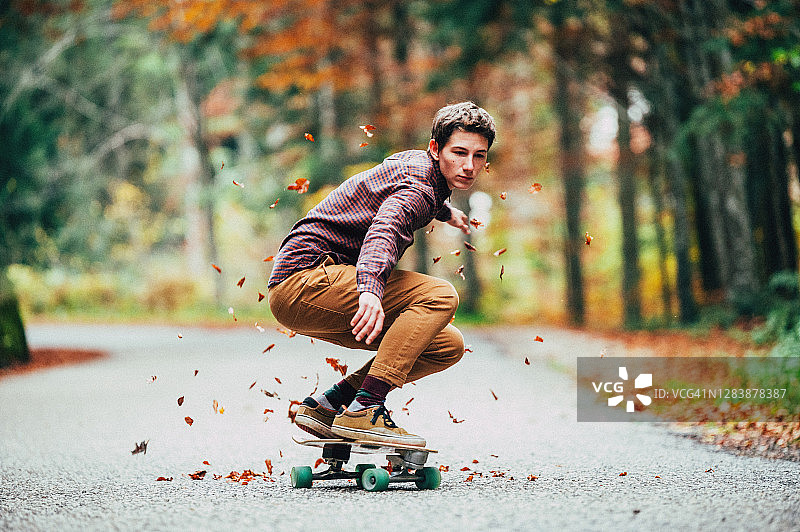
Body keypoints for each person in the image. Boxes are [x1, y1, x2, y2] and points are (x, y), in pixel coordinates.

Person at [267, 101, 496, 447]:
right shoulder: (419, 190)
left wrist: (446, 212)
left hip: (306, 288)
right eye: (459, 153)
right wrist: (371, 290)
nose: (468, 166)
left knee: (447, 345)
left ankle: (331, 405)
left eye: (479, 156)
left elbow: (401, 187)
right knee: (440, 295)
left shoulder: (419, 169)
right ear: (435, 149)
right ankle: (366, 408)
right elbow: (385, 228)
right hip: (306, 280)